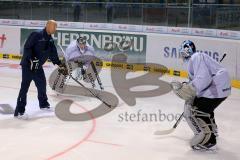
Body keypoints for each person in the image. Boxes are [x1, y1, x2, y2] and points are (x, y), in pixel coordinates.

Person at [172, 40, 231, 151]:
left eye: (182, 52)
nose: (181, 55)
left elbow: (203, 78)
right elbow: (198, 79)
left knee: (198, 109)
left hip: (218, 86)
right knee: (205, 106)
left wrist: (191, 89)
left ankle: (209, 141)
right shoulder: (196, 59)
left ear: (187, 51)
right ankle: (213, 129)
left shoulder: (196, 57)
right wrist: (189, 86)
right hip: (221, 86)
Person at [14, 20, 64, 119]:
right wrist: (32, 59)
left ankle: (43, 104)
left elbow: (53, 53)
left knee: (42, 85)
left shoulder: (50, 40)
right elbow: (27, 47)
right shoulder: (36, 34)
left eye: (56, 27)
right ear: (48, 26)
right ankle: (19, 110)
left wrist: (59, 64)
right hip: (28, 66)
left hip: (38, 67)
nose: (55, 29)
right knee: (24, 88)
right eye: (54, 26)